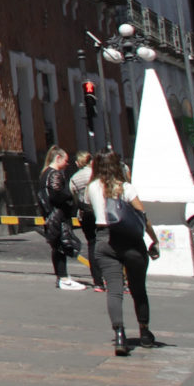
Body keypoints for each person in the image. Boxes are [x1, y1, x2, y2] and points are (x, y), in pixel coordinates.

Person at [86, 151, 157, 355]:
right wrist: (154, 239)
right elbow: (143, 216)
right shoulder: (125, 187)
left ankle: (119, 335)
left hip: (104, 240)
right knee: (138, 289)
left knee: (114, 290)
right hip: (130, 242)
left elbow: (90, 207)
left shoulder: (92, 187)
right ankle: (144, 332)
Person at [40, 146, 87, 290]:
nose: (67, 163)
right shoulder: (55, 174)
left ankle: (62, 277)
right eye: (66, 160)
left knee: (58, 246)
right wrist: (70, 198)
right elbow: (56, 194)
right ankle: (64, 278)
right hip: (58, 215)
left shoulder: (45, 173)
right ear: (58, 158)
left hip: (50, 215)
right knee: (62, 245)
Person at [69, 151, 101, 290]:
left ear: (78, 163)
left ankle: (97, 280)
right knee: (104, 242)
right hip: (98, 212)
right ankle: (110, 276)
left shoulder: (74, 178)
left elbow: (74, 196)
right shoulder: (96, 174)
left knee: (91, 244)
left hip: (84, 213)